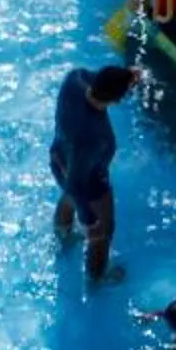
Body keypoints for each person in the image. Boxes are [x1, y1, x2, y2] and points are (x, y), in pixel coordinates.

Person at [49, 63, 135, 280]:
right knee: (102, 233)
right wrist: (89, 220)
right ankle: (97, 278)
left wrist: (124, 77)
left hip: (58, 158)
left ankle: (63, 236)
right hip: (90, 181)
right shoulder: (97, 136)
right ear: (117, 100)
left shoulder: (74, 80)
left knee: (68, 197)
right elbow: (76, 185)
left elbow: (98, 79)